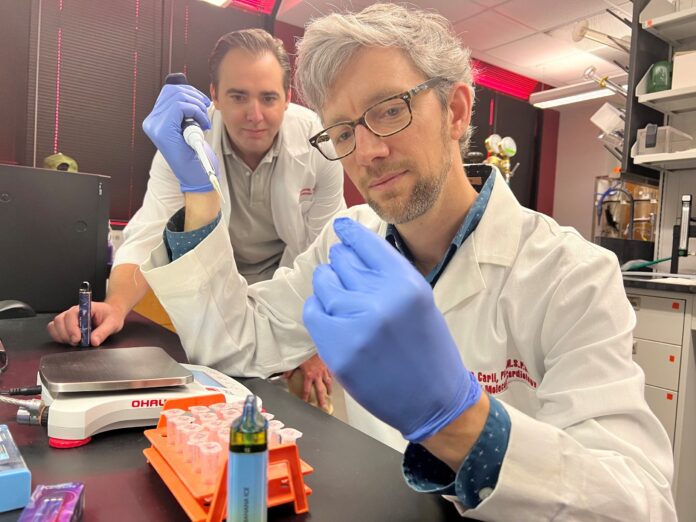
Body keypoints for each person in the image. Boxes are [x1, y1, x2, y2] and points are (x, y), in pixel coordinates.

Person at [136, 4, 676, 519]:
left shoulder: (571, 275)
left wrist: (460, 422)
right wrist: (199, 189)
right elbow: (235, 343)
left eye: (389, 111)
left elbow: (638, 503)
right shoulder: (344, 244)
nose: (366, 151)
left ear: (458, 111)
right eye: (344, 132)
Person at [46, 28, 345, 410]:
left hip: (284, 285)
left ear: (288, 98)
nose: (255, 115)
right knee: (203, 393)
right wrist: (117, 306)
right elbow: (150, 231)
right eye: (238, 96)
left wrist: (312, 346)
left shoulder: (320, 144)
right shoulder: (187, 142)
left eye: (269, 98)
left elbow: (322, 253)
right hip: (211, 279)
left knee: (307, 392)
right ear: (215, 96)